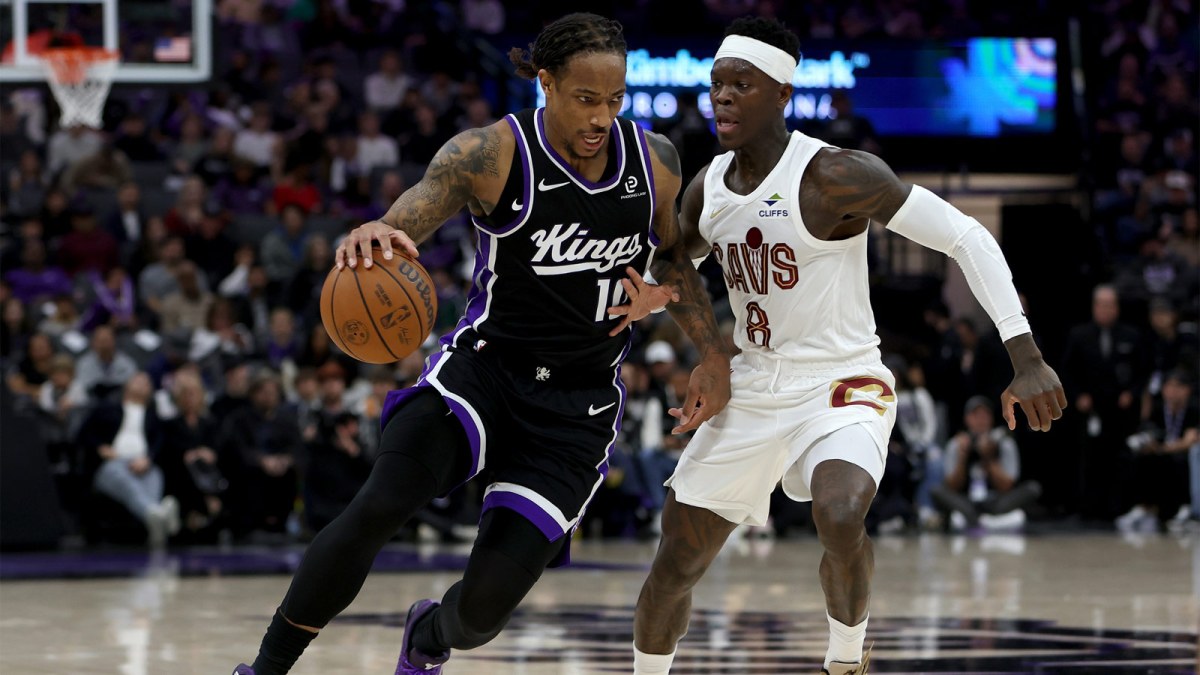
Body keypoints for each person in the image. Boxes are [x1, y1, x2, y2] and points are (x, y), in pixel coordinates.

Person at [234, 12, 731, 675]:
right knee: (379, 505)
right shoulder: (490, 154)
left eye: (614, 101)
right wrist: (373, 231)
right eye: (586, 98)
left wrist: (710, 351)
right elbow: (407, 217)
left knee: (481, 616)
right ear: (545, 84)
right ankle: (265, 668)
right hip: (483, 375)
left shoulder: (655, 162)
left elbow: (672, 259)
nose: (600, 117)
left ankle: (430, 634)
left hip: (576, 410)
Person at [630, 18, 1066, 675]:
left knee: (839, 513)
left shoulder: (834, 173)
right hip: (752, 382)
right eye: (715, 85)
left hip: (842, 380)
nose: (720, 97)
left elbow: (966, 236)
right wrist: (707, 350)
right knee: (676, 561)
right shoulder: (709, 187)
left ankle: (844, 657)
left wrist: (1024, 354)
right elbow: (673, 261)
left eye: (739, 85)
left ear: (781, 92)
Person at [930, 395, 1042, 531]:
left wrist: (989, 458)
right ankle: (978, 518)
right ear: (967, 419)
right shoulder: (956, 444)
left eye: (985, 415)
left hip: (996, 500)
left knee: (1032, 488)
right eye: (976, 415)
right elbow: (952, 486)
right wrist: (962, 457)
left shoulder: (1004, 442)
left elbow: (1007, 485)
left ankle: (977, 519)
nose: (981, 420)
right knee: (936, 490)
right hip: (967, 500)